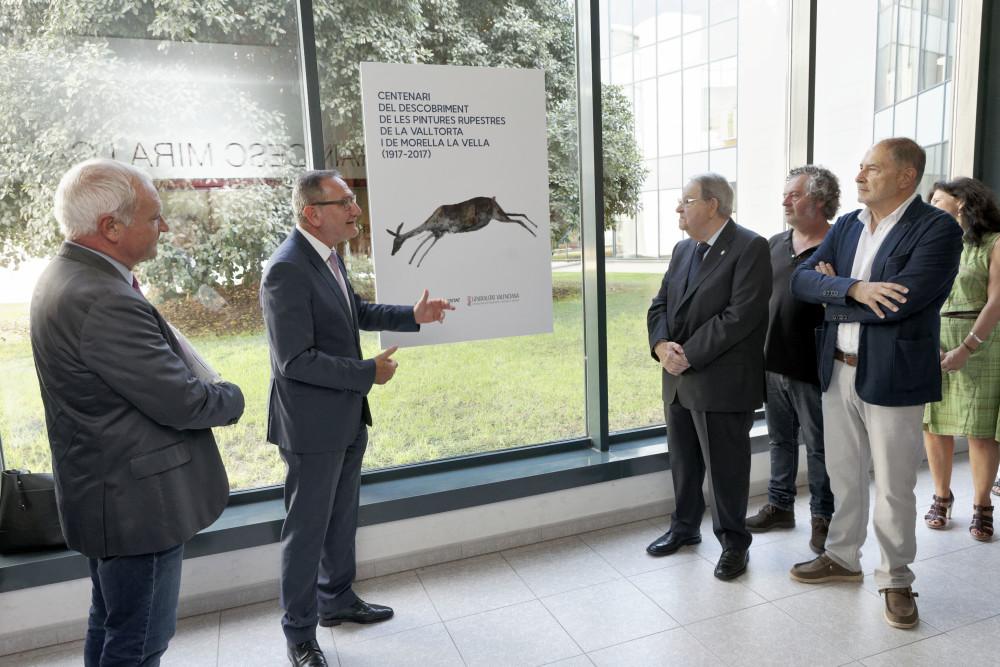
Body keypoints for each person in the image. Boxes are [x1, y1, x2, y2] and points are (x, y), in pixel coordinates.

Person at [30, 159, 246, 666]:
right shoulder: (103, 298)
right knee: (140, 641)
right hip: (137, 503)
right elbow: (182, 401)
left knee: (110, 621)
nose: (163, 227)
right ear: (111, 226)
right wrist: (231, 398)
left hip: (102, 489)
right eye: (153, 217)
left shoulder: (66, 276)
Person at [261, 169, 454, 667]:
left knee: (341, 518)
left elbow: (355, 311)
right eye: (345, 201)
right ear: (312, 213)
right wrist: (368, 372)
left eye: (352, 200)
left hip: (345, 416)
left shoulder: (327, 257)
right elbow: (294, 361)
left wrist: (412, 315)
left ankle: (337, 600)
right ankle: (299, 635)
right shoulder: (286, 269)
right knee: (306, 532)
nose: (356, 210)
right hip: (311, 426)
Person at [788, 138, 963, 630]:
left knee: (894, 485)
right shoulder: (848, 224)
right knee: (843, 474)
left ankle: (896, 579)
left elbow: (902, 301)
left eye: (872, 169)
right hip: (837, 367)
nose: (859, 176)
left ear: (906, 177)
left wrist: (833, 296)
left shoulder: (937, 229)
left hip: (895, 372)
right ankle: (842, 557)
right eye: (860, 167)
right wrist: (855, 288)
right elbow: (801, 281)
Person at [645, 172, 771, 581]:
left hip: (721, 380)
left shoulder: (750, 247)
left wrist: (688, 355)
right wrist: (661, 346)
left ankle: (734, 544)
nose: (678, 208)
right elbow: (660, 304)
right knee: (683, 462)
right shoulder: (683, 249)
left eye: (687, 201)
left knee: (726, 469)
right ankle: (684, 527)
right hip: (678, 378)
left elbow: (741, 316)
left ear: (713, 205)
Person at [746, 166, 839, 554]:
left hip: (814, 366)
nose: (785, 201)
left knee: (819, 446)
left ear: (818, 200)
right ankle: (781, 506)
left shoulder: (839, 245)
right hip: (773, 362)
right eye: (785, 194)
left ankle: (823, 517)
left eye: (794, 195)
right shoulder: (774, 244)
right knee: (780, 440)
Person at [922, 177, 1000, 540]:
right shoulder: (933, 244)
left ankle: (982, 505)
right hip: (935, 338)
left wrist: (966, 348)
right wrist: (927, 341)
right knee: (935, 424)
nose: (931, 207)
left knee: (981, 431)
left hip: (982, 341)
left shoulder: (994, 242)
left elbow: (997, 302)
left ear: (963, 203)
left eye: (938, 201)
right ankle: (941, 496)